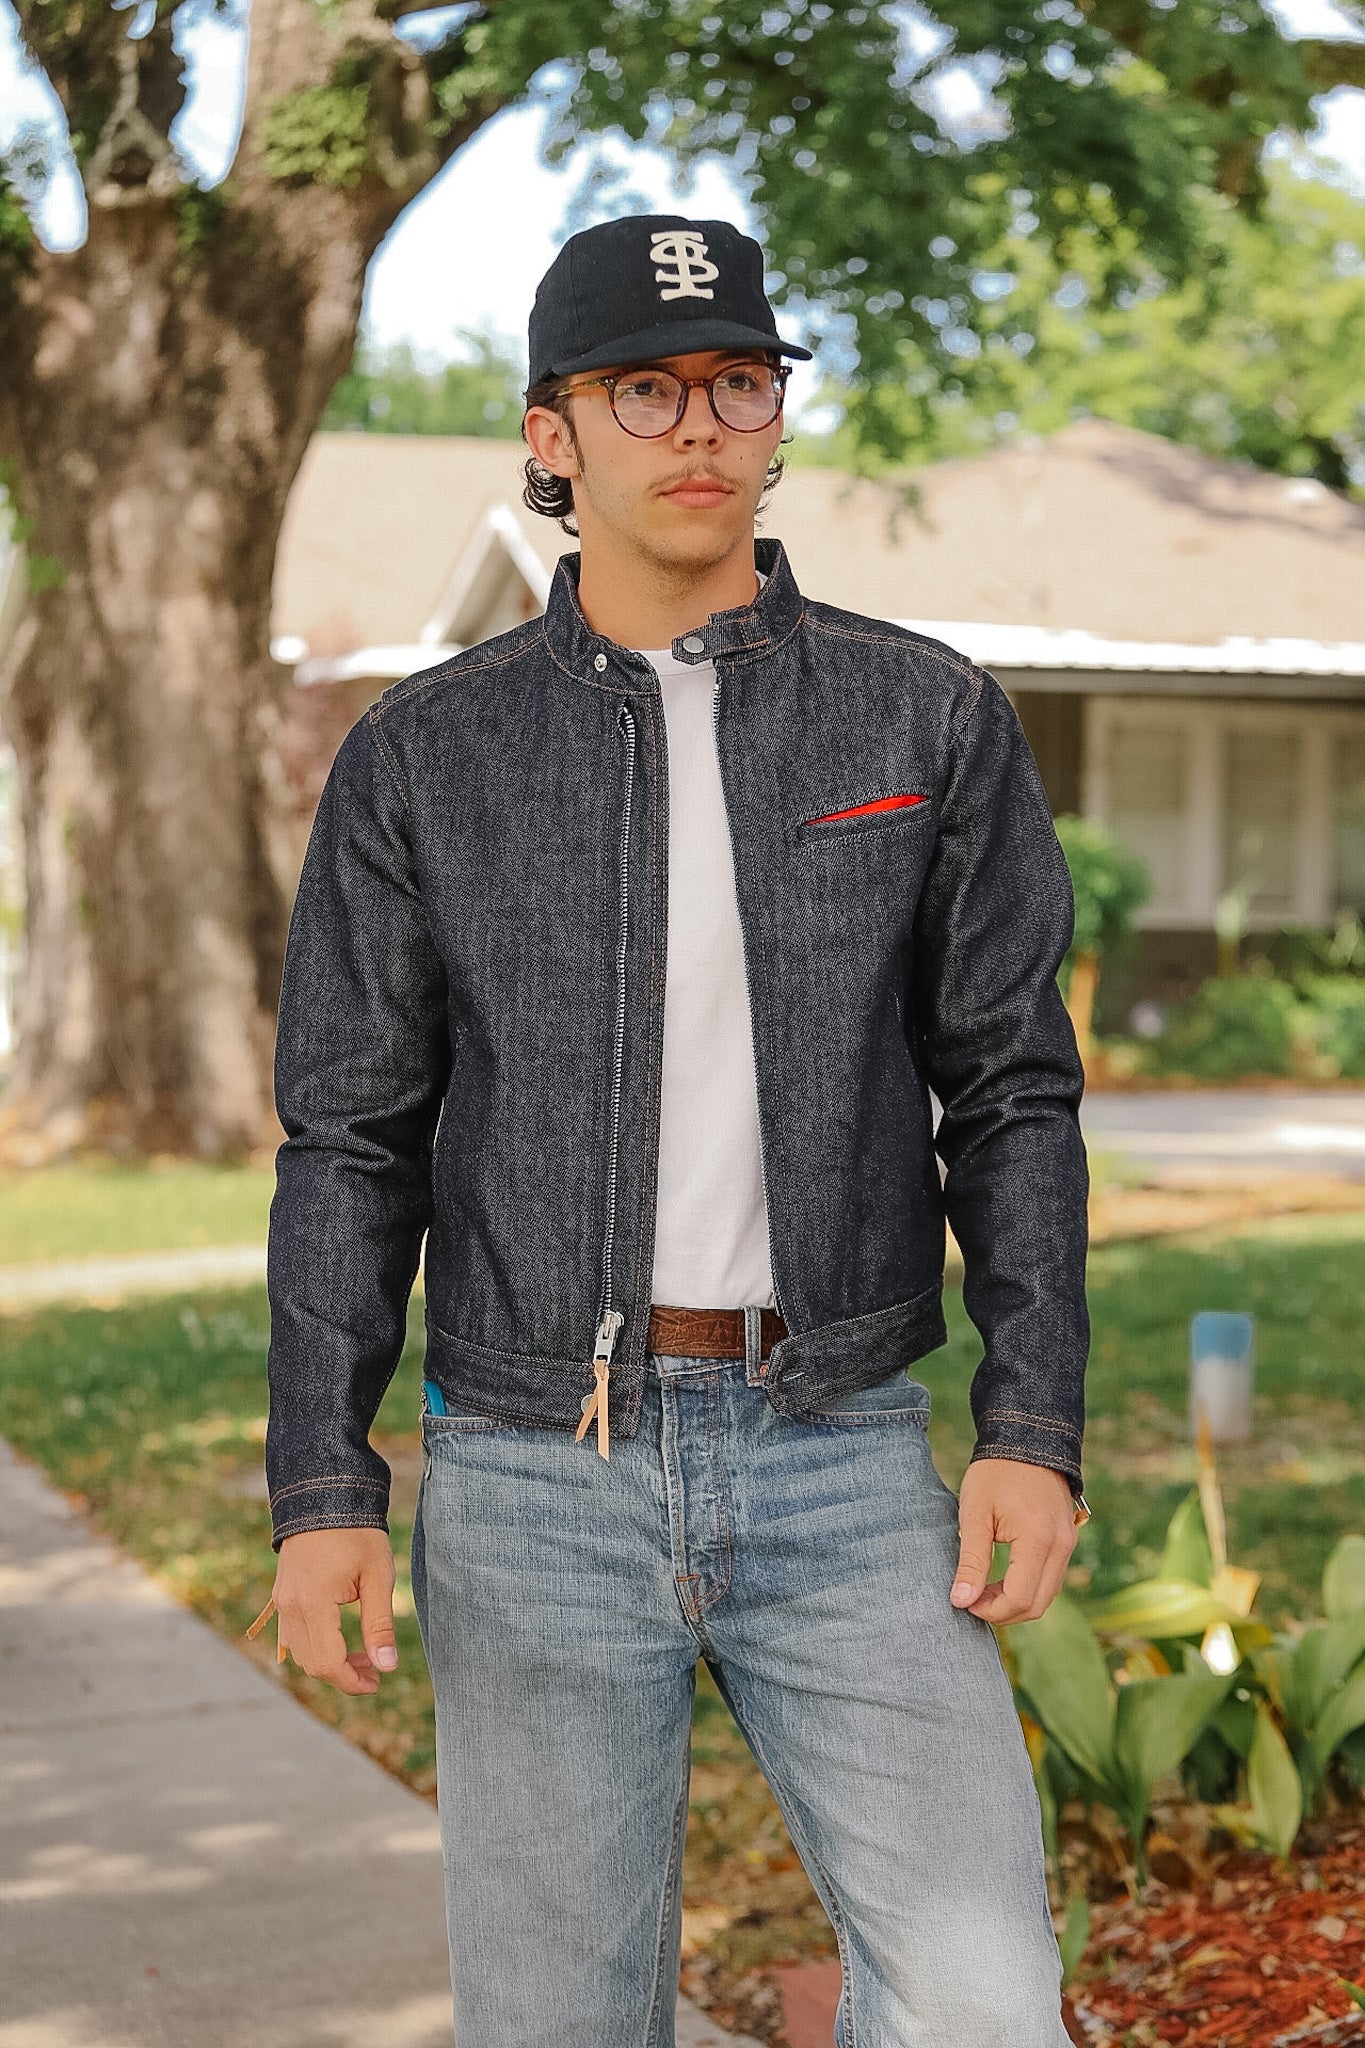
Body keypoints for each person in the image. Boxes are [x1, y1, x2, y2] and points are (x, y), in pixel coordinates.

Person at [253, 212, 1091, 2047]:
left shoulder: (923, 714)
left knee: (979, 2001)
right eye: (644, 388)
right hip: (534, 1470)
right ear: (551, 433)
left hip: (844, 1452)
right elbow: (351, 1139)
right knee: (557, 2022)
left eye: (735, 380)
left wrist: (1030, 1422)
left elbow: (1011, 1088)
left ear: (776, 411)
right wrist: (325, 1486)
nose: (697, 424)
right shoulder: (424, 758)